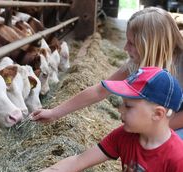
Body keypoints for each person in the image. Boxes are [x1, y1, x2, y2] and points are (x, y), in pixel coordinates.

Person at [32, 67, 183, 172]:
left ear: (158, 114)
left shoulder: (177, 158)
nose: (120, 110)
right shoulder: (124, 137)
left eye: (128, 106)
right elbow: (78, 161)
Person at [31, 7, 183, 137]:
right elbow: (99, 90)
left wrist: (153, 130)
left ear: (150, 44)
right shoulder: (136, 64)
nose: (125, 48)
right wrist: (54, 113)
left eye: (131, 43)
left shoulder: (180, 62)